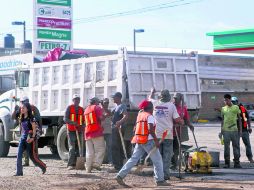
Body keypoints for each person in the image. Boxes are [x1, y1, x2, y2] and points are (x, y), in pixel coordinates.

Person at [115, 100, 169, 187]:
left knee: (133, 159)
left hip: (139, 140)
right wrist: (156, 141)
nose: (153, 109)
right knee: (158, 161)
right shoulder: (149, 116)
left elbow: (135, 128)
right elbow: (150, 130)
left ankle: (120, 175)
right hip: (148, 141)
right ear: (149, 108)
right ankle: (160, 180)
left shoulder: (140, 115)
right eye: (152, 107)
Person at [149, 88, 183, 180]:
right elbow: (177, 119)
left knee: (157, 157)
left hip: (156, 135)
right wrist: (181, 121)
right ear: (168, 97)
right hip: (167, 135)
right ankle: (165, 175)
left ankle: (158, 176)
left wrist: (152, 92)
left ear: (161, 96)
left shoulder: (154, 103)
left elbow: (150, 98)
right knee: (166, 157)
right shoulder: (171, 106)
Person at [15, 102, 46, 176]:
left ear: (27, 109)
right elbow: (22, 128)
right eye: (21, 108)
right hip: (23, 138)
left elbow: (34, 129)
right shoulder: (21, 117)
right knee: (19, 154)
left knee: (33, 157)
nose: (21, 109)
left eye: (23, 108)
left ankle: (43, 166)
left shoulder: (31, 118)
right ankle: (19, 172)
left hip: (30, 139)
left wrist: (32, 138)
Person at [12, 96, 41, 167]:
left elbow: (38, 118)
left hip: (32, 131)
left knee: (34, 148)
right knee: (24, 147)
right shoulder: (21, 109)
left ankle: (36, 162)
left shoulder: (33, 108)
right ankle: (26, 161)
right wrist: (15, 110)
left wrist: (30, 117)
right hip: (24, 131)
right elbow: (13, 117)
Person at [171, 93, 194, 170]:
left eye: (176, 99)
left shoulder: (183, 108)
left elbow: (186, 119)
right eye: (174, 98)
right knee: (169, 150)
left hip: (178, 132)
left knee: (176, 149)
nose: (174, 100)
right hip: (169, 132)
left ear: (180, 99)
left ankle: (174, 164)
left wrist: (190, 125)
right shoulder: (171, 106)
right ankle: (170, 164)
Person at [84, 97, 106, 173]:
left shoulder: (86, 109)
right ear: (95, 102)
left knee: (89, 152)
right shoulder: (97, 108)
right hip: (96, 131)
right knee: (101, 149)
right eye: (98, 102)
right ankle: (96, 164)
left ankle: (88, 168)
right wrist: (104, 115)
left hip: (87, 132)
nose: (99, 104)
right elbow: (101, 118)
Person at [64, 94, 85, 170]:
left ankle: (78, 164)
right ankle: (70, 164)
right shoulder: (69, 108)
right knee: (72, 147)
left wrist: (83, 125)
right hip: (71, 130)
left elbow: (83, 120)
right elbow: (65, 119)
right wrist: (73, 122)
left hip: (79, 130)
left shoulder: (81, 109)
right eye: (75, 99)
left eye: (78, 99)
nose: (77, 101)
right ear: (73, 100)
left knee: (80, 147)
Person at [221, 94, 242, 168]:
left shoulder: (236, 107)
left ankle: (237, 163)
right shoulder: (223, 109)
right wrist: (221, 131)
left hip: (234, 131)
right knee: (226, 147)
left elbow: (239, 119)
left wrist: (240, 131)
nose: (225, 101)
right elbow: (222, 120)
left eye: (227, 100)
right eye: (224, 100)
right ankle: (227, 163)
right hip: (226, 131)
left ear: (230, 100)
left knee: (236, 147)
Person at [231, 96, 254, 163]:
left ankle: (250, 158)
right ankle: (237, 159)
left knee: (247, 144)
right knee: (236, 145)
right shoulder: (230, 110)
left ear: (237, 102)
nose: (233, 103)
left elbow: (247, 118)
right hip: (235, 131)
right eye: (232, 102)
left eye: (234, 102)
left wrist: (249, 127)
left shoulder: (242, 109)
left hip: (244, 130)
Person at [111, 92, 129, 171]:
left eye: (114, 97)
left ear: (118, 97)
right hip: (115, 129)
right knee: (116, 147)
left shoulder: (122, 106)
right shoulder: (116, 107)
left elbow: (126, 116)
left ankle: (118, 166)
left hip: (118, 130)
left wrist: (119, 122)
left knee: (116, 147)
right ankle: (118, 165)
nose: (113, 99)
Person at [101, 98, 113, 165]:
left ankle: (110, 161)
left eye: (107, 103)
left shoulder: (109, 110)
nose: (106, 104)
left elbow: (111, 116)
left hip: (108, 131)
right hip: (101, 132)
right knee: (101, 147)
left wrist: (107, 110)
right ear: (102, 103)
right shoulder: (99, 110)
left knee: (109, 147)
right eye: (105, 103)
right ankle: (101, 161)